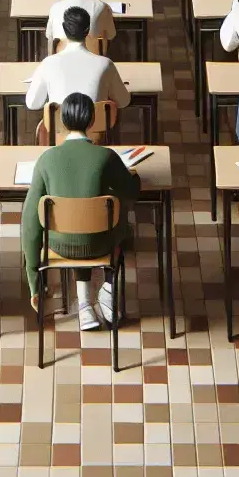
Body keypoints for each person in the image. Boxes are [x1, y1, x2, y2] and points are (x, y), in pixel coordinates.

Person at [19, 92, 139, 331]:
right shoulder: (106, 156)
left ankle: (84, 305)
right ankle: (107, 289)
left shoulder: (46, 159)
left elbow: (29, 223)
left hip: (58, 245)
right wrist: (132, 175)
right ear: (92, 121)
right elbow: (132, 191)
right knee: (115, 211)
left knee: (76, 219)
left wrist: (34, 279)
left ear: (62, 121)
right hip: (101, 245)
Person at [24, 7, 131, 143]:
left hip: (59, 138)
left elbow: (33, 103)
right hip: (95, 136)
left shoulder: (48, 63)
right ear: (87, 30)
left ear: (64, 28)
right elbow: (123, 101)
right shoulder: (105, 64)